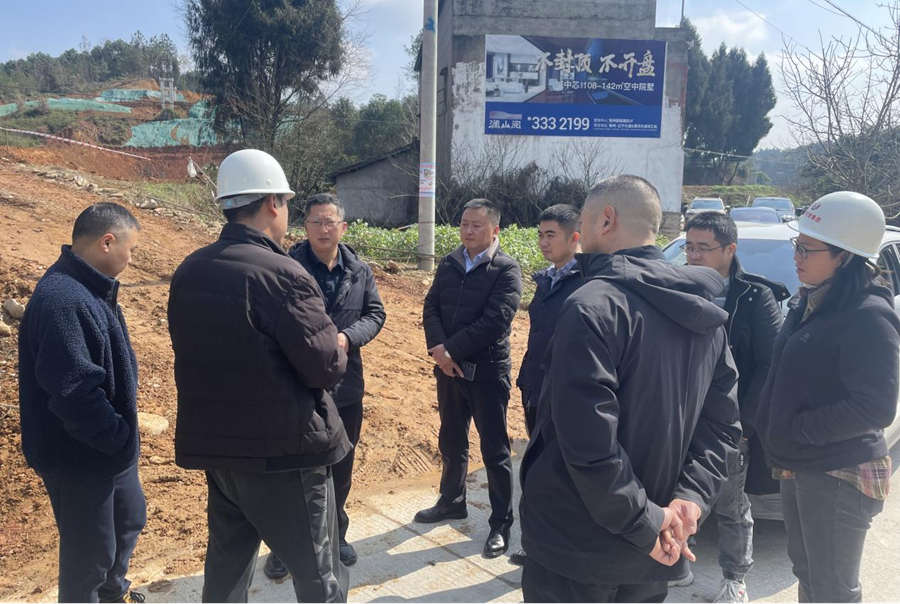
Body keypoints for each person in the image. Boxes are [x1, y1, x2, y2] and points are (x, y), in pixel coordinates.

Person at [519, 175, 742, 604]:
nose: (580, 233)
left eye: (584, 221)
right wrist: (690, 500)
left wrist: (645, 522)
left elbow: (589, 443)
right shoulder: (705, 316)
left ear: (607, 220)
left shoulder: (592, 306)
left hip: (578, 546)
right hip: (656, 546)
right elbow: (722, 429)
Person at [168, 149, 351, 604]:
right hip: (284, 455)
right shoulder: (283, 273)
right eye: (286, 203)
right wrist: (338, 346)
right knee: (320, 579)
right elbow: (324, 366)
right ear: (273, 203)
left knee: (226, 576)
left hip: (219, 452)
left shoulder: (190, 269)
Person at [756, 191, 900, 604]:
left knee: (834, 589)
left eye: (807, 249)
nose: (796, 256)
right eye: (796, 245)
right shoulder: (812, 300)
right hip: (801, 463)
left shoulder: (868, 315)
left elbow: (875, 406)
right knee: (809, 574)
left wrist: (800, 430)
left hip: (838, 471)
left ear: (845, 256)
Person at [18, 203, 146, 604]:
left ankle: (113, 595)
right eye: (130, 249)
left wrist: (121, 443)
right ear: (107, 242)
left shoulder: (90, 287)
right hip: (80, 457)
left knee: (129, 521)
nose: (131, 259)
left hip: (109, 451)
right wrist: (116, 436)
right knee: (89, 558)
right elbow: (74, 392)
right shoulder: (63, 299)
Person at [256, 193, 385, 576]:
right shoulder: (285, 267)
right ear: (305, 226)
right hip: (296, 387)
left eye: (330, 222)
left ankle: (336, 533)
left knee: (341, 466)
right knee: (293, 470)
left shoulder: (359, 271)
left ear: (343, 227)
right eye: (316, 222)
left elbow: (375, 313)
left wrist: (347, 337)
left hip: (346, 385)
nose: (323, 229)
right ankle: (283, 546)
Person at [681, 212, 789, 603]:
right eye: (689, 246)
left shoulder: (755, 296)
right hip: (681, 415)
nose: (693, 255)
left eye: (703, 248)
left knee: (729, 501)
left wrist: (745, 424)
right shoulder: (676, 287)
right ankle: (677, 563)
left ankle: (734, 577)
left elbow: (769, 365)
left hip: (729, 420)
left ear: (730, 250)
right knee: (675, 493)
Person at [417, 198, 523, 559]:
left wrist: (450, 351)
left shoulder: (506, 269)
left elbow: (496, 321)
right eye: (464, 223)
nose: (469, 231)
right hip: (449, 370)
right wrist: (439, 351)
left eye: (477, 225)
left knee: (494, 449)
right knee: (451, 438)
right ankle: (452, 500)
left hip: (487, 372)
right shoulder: (449, 262)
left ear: (494, 230)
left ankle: (501, 522)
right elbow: (431, 306)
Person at [516, 204, 583, 436]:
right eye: (540, 235)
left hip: (564, 396)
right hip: (535, 388)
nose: (543, 242)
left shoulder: (587, 282)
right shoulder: (546, 280)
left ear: (574, 238)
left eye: (551, 236)